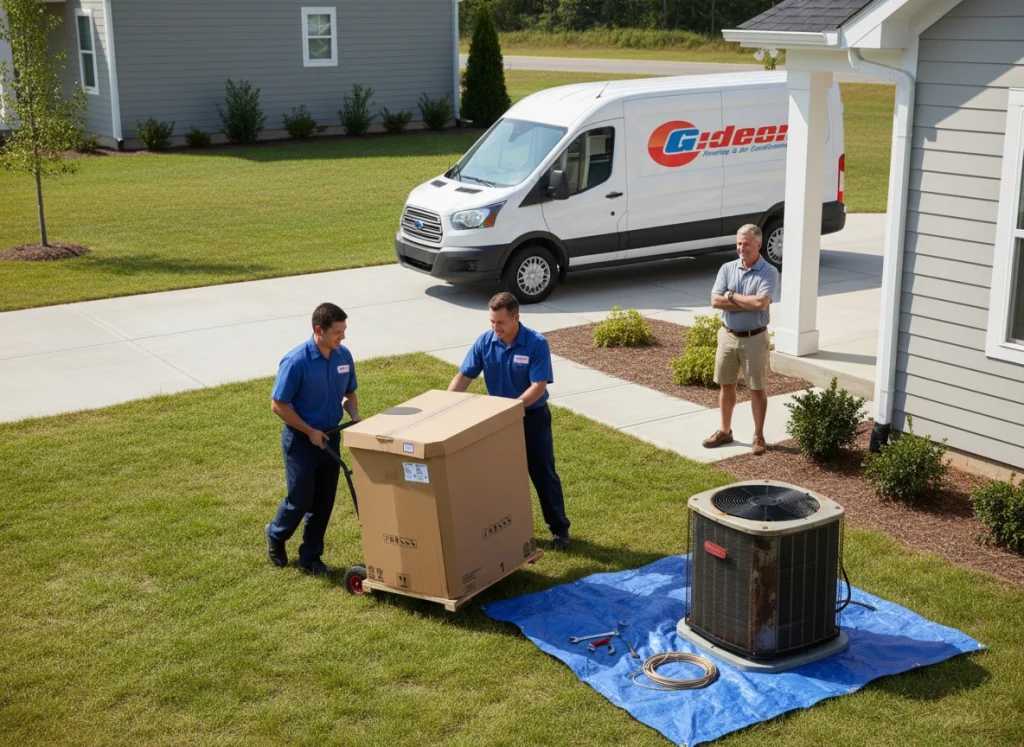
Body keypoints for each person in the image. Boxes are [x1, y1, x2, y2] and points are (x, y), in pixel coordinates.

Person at [448, 292, 571, 550]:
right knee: (500, 477)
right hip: (500, 422)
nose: (496, 328)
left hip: (532, 419)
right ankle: (507, 529)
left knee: (543, 475)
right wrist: (445, 403)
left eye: (501, 322)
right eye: (492, 322)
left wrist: (512, 409)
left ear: (516, 318)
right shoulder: (485, 341)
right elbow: (464, 376)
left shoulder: (536, 344)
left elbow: (538, 386)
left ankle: (560, 531)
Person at [265, 302, 361, 575]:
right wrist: (309, 431)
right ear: (319, 331)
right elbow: (278, 405)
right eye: (337, 332)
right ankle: (276, 533)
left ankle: (310, 558)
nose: (342, 337)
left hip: (330, 437)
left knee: (324, 502)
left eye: (344, 331)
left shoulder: (343, 356)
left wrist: (354, 415)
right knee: (300, 499)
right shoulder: (296, 361)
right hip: (301, 442)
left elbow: (349, 394)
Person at [702, 224, 779, 456]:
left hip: (754, 338)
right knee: (726, 385)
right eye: (738, 243)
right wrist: (746, 302)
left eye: (746, 244)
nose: (741, 248)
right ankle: (725, 431)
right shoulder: (727, 268)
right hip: (727, 335)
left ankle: (759, 436)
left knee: (757, 387)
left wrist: (731, 296)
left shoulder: (769, 272)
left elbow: (760, 304)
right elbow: (715, 301)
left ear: (759, 244)